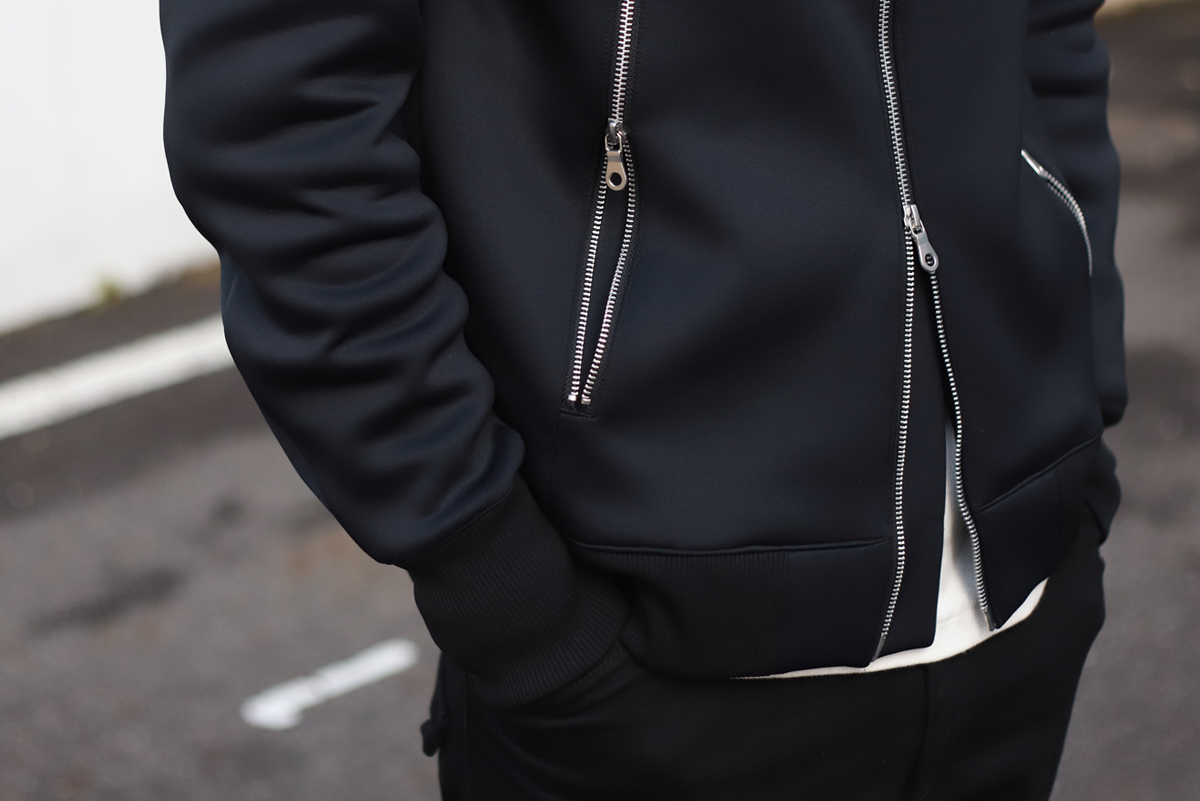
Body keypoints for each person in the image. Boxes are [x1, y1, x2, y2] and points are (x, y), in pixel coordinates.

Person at [160, 0, 1125, 796]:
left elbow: (1046, 32)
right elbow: (281, 124)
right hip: (639, 666)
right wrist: (500, 586)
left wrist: (1081, 396)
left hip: (1024, 591)